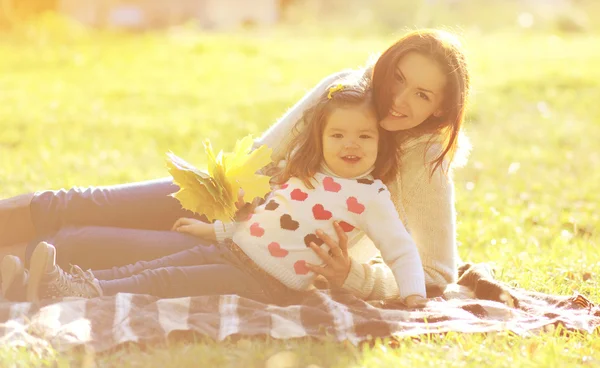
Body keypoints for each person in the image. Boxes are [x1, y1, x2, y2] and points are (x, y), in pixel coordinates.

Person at [0, 28, 469, 302]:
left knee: (84, 242)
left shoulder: (424, 157)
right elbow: (262, 157)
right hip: (234, 202)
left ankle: (23, 273)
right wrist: (223, 211)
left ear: (439, 111)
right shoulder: (346, 88)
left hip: (263, 250)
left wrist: (355, 277)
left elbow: (436, 274)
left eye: (422, 95)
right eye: (399, 78)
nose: (398, 98)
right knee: (74, 203)